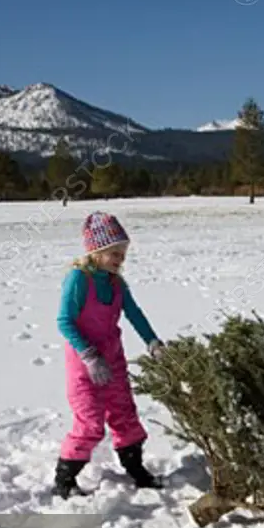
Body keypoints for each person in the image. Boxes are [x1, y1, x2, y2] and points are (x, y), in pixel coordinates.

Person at [53, 211, 165, 499]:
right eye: (114, 253)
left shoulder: (116, 283)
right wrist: (89, 355)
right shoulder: (78, 279)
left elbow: (134, 314)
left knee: (125, 415)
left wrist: (153, 341)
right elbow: (65, 321)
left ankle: (136, 470)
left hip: (114, 360)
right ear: (96, 251)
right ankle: (64, 480)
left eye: (123, 254)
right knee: (90, 422)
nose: (120, 259)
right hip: (84, 365)